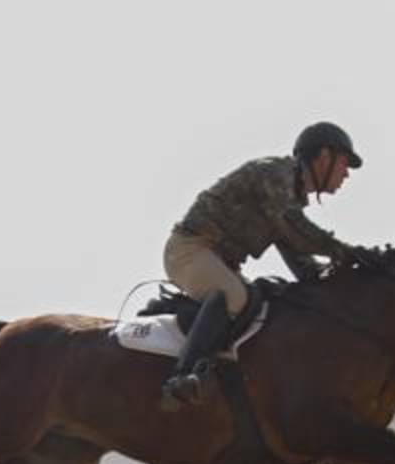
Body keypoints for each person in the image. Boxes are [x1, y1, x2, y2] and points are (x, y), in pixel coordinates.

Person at [160, 121, 378, 407]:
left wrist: (345, 278)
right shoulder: (275, 174)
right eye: (344, 163)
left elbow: (304, 267)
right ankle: (181, 379)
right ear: (324, 156)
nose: (346, 174)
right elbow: (295, 227)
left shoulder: (289, 198)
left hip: (217, 260)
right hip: (190, 248)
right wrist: (345, 251)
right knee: (233, 298)